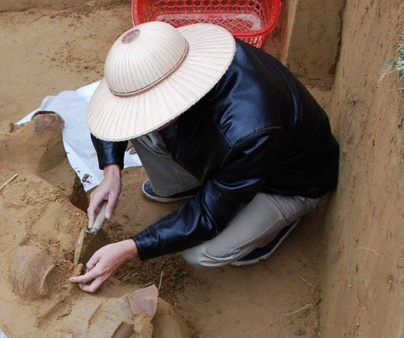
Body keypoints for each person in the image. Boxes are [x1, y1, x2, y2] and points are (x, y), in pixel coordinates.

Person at [68, 21, 339, 292]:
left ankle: (272, 229)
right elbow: (114, 115)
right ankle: (188, 186)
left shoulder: (249, 132)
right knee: (138, 124)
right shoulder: (175, 58)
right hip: (237, 160)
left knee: (200, 252)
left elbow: (208, 216)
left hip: (289, 183)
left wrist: (132, 248)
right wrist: (111, 170)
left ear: (172, 97)